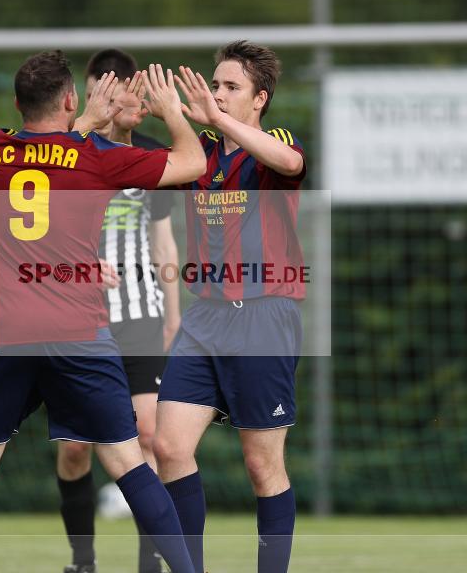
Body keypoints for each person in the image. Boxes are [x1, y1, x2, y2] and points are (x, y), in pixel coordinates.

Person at [0, 50, 205, 573]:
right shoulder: (96, 156)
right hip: (77, 331)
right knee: (129, 463)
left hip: (4, 331)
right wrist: (170, 111)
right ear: (72, 98)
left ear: (16, 103)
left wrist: (82, 126)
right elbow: (192, 162)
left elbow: (44, 156)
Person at [153, 41, 307, 573]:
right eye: (214, 84)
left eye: (230, 87)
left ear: (260, 99)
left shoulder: (274, 142)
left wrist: (217, 119)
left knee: (262, 466)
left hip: (265, 314)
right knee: (168, 447)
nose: (216, 94)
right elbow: (153, 155)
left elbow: (289, 161)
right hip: (206, 316)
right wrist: (155, 107)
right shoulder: (200, 152)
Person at [56, 49, 180, 573]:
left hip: (140, 314)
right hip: (76, 317)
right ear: (86, 93)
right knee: (76, 449)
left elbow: (164, 243)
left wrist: (173, 315)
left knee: (149, 436)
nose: (110, 98)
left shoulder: (149, 156)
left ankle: (149, 563)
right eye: (99, 89)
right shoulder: (63, 155)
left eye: (119, 88)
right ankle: (83, 561)